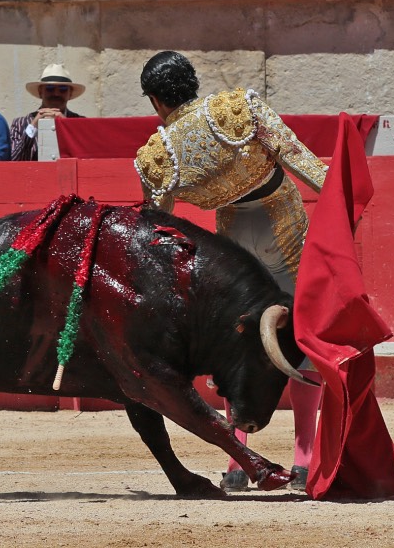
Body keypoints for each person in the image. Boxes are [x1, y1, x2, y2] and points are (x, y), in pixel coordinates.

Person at [133, 51, 327, 492]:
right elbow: (307, 166)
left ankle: (238, 463)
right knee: (303, 335)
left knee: (239, 341)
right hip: (283, 221)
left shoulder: (157, 154)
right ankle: (304, 459)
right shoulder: (237, 107)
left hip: (233, 241)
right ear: (194, 82)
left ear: (155, 102)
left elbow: (156, 235)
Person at [10, 64, 85, 161]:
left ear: (70, 94)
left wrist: (66, 126)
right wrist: (33, 126)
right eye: (50, 88)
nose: (56, 94)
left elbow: (85, 157)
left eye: (63, 89)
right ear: (40, 92)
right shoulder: (20, 123)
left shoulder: (80, 123)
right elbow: (14, 159)